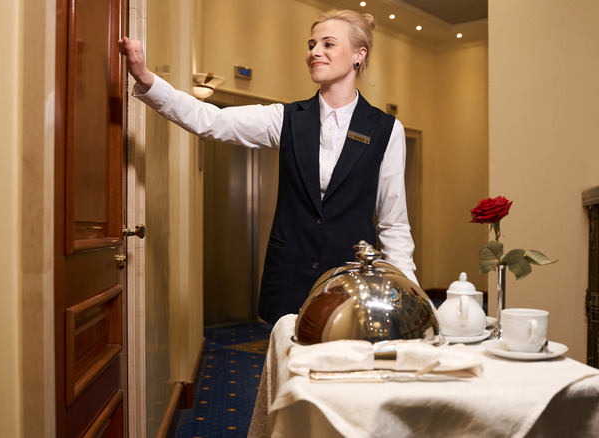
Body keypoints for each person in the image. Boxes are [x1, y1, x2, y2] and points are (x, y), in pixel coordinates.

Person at [119, 9, 418, 324]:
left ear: (360, 54)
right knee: (287, 368)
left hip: (353, 284)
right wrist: (145, 78)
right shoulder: (287, 118)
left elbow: (393, 224)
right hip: (290, 278)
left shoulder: (386, 129)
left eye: (328, 44)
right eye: (312, 44)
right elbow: (211, 121)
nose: (314, 52)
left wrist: (409, 296)